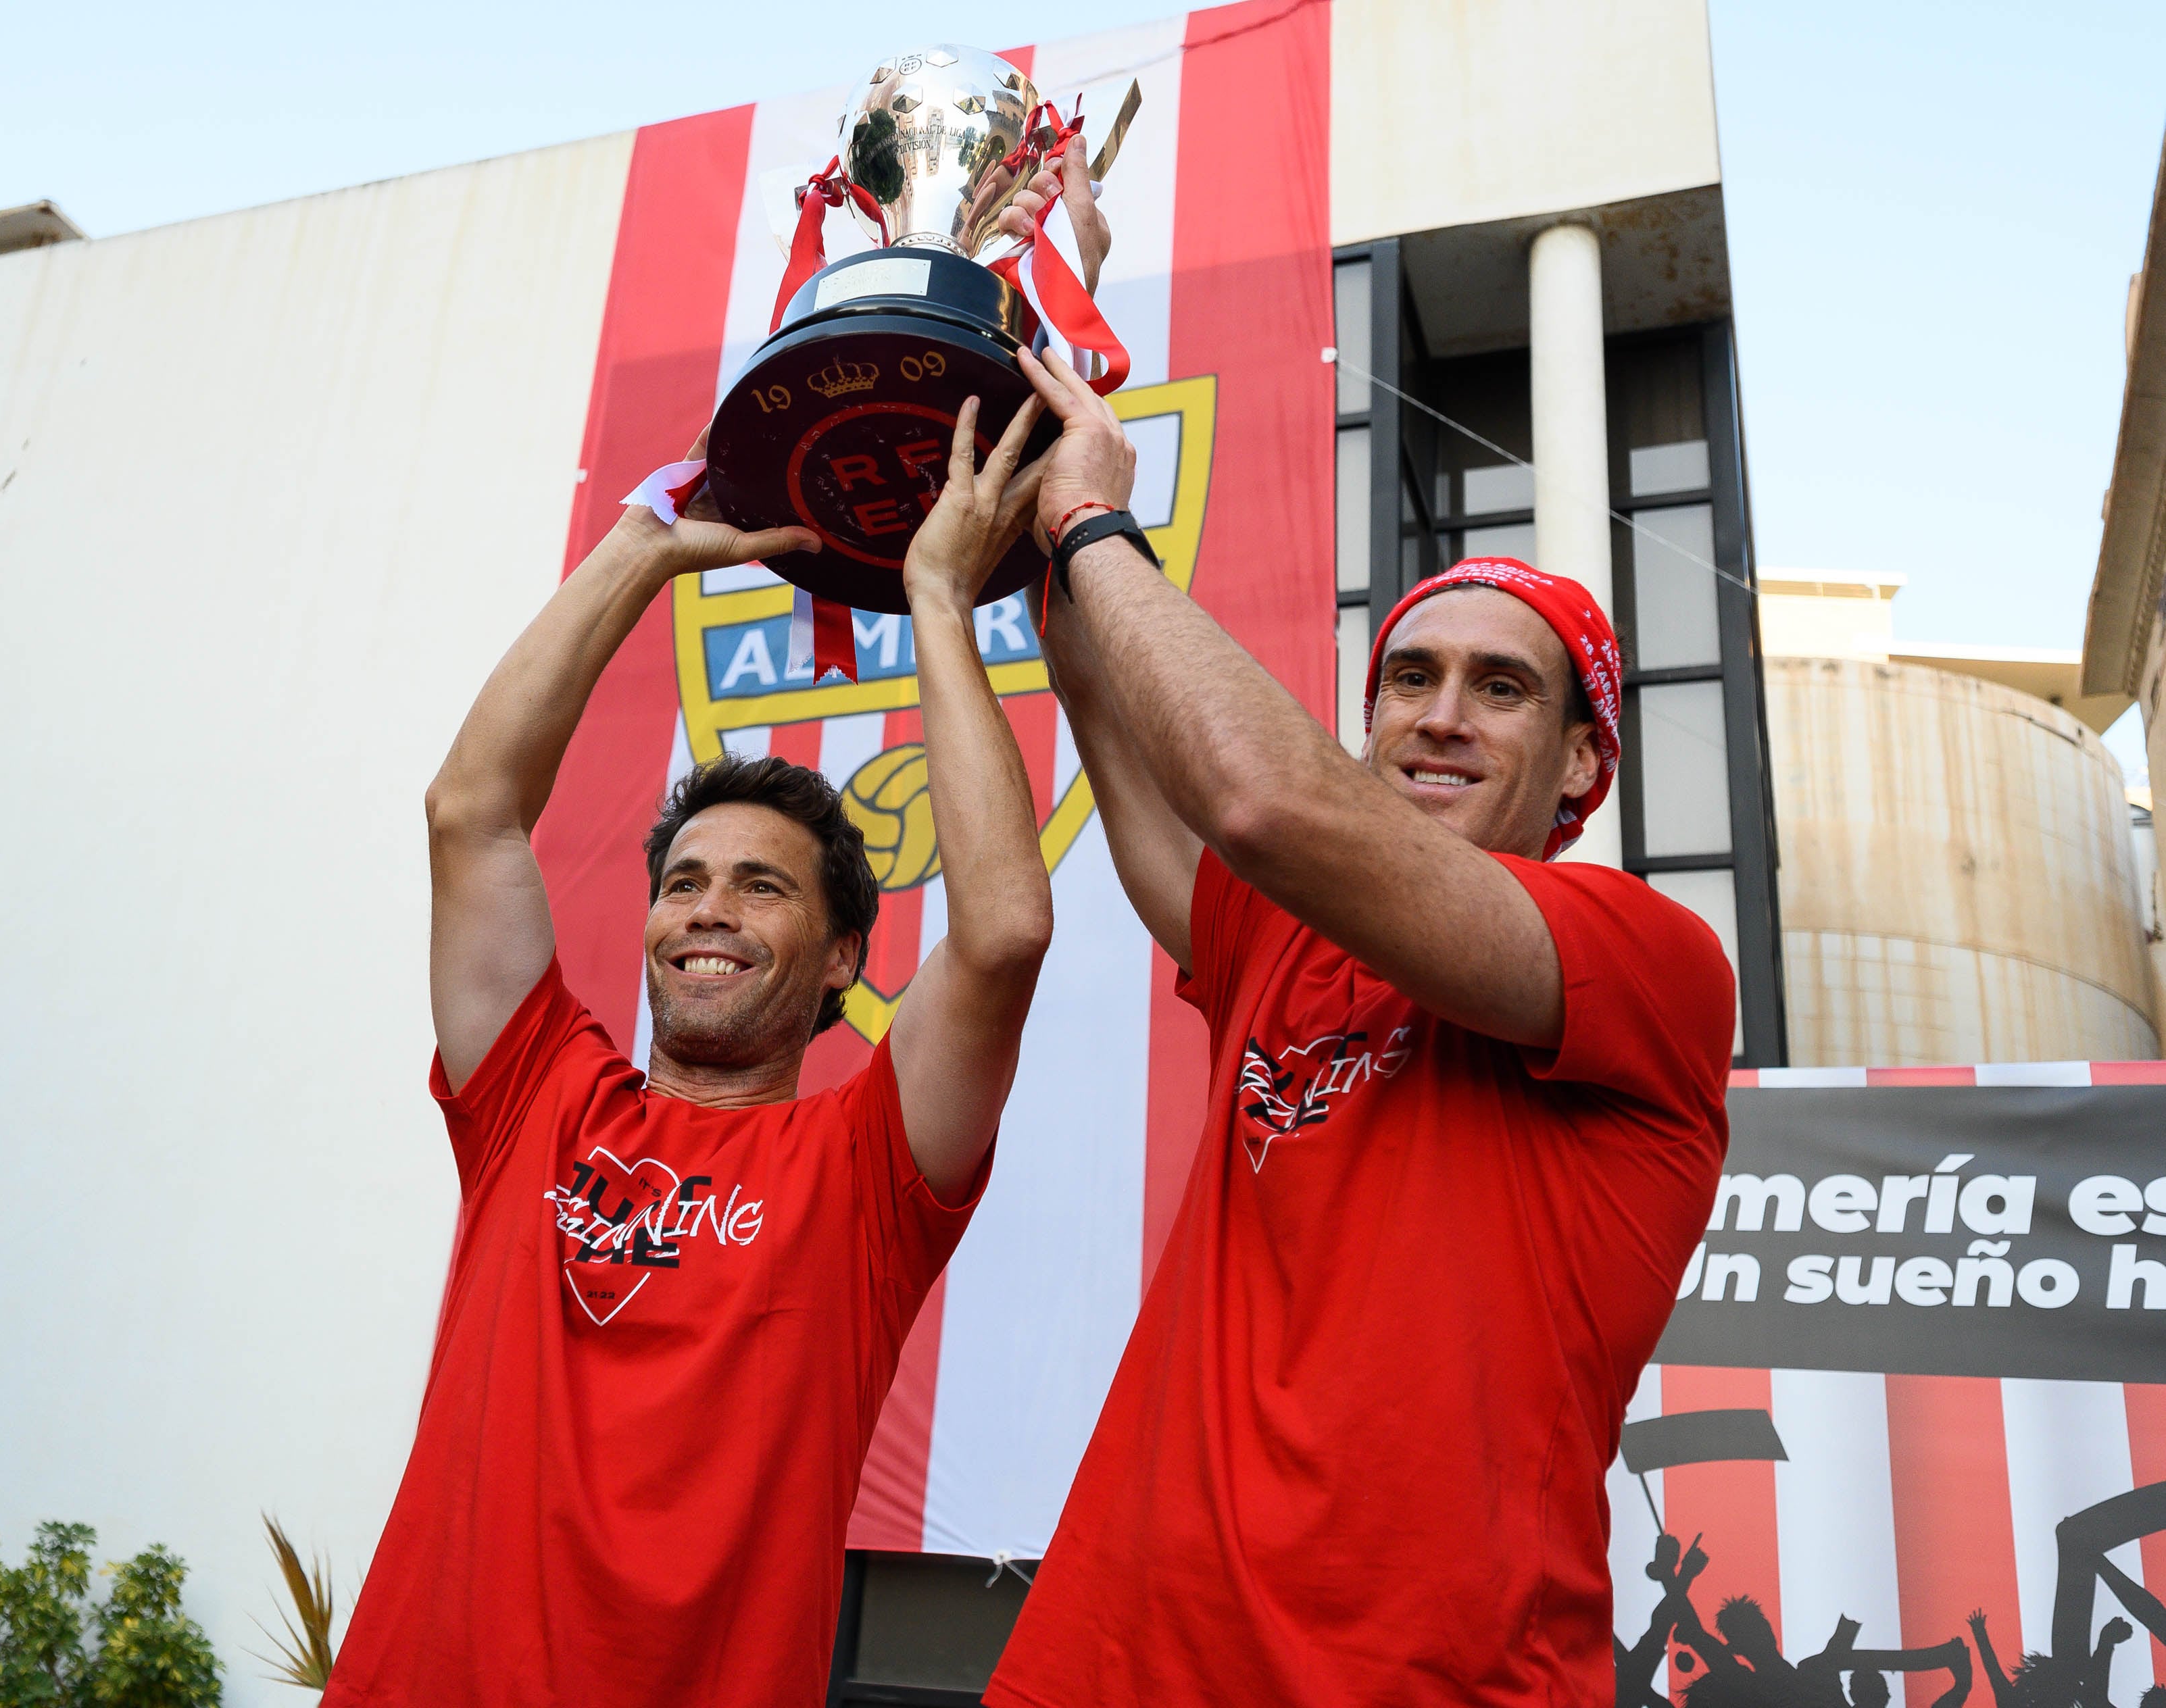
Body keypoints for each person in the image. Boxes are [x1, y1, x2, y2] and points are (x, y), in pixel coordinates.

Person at [979, 326, 1736, 1703]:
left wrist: (1096, 519)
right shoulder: (1280, 926)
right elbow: (1097, 685)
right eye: (1409, 676)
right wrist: (1030, 390)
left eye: (1499, 688)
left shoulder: (1647, 957)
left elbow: (1258, 797)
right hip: (1111, 1657)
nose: (1440, 715)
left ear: (1581, 760)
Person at [320, 393, 1056, 1707]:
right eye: (686, 881)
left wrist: (938, 599)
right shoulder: (536, 1095)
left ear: (843, 957)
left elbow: (1000, 931)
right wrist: (639, 550)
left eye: (764, 888)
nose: (709, 907)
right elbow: (471, 809)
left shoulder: (865, 1168)